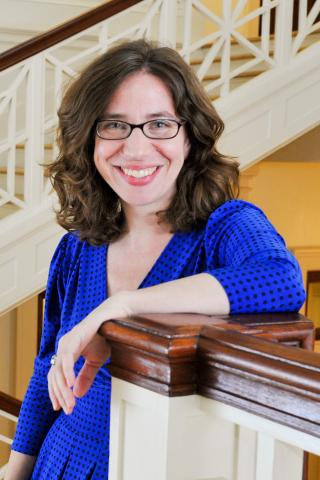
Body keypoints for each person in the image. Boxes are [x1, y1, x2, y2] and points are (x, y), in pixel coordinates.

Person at [5, 39, 306, 479]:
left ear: (190, 136)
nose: (138, 147)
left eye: (160, 124)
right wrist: (15, 471)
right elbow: (47, 367)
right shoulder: (77, 247)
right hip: (60, 462)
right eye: (114, 125)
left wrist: (121, 307)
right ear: (90, 139)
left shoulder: (226, 226)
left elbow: (281, 280)